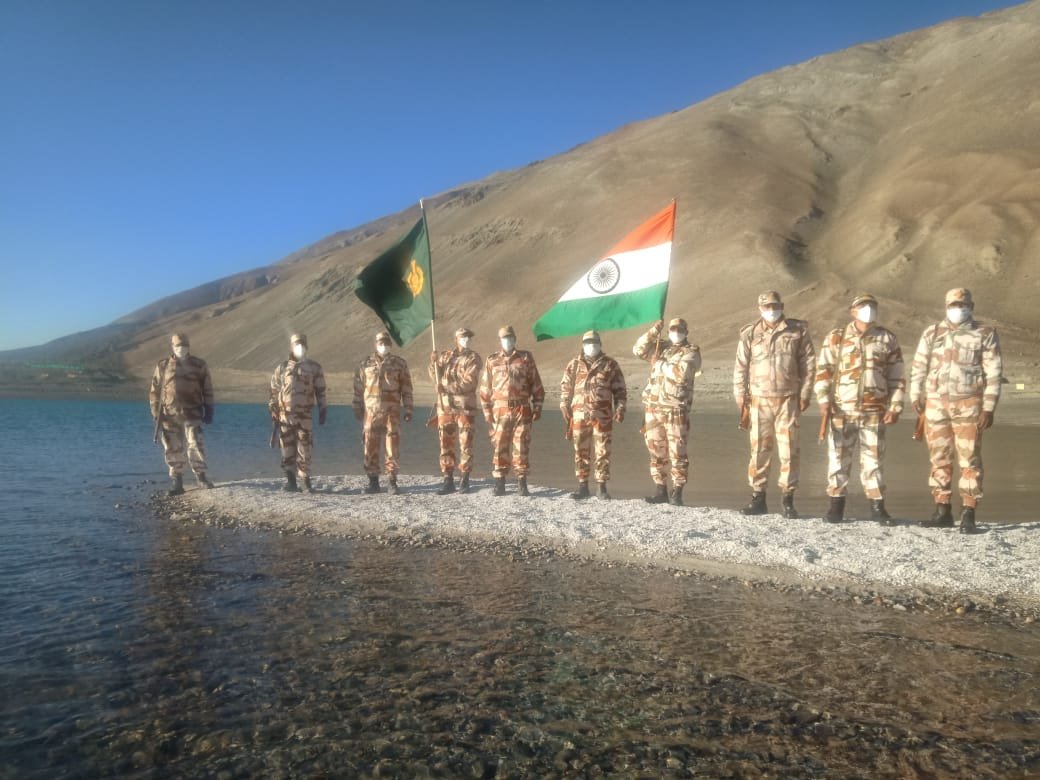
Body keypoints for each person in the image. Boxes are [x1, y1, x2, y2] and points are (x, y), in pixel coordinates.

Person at [909, 288, 1002, 534]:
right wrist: (915, 394)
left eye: (963, 304)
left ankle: (969, 512)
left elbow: (993, 372)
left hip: (969, 405)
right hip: (936, 405)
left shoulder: (985, 333)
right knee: (939, 459)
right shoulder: (933, 332)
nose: (958, 308)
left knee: (969, 459)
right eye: (954, 304)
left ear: (972, 305)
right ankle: (942, 511)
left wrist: (989, 407)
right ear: (946, 305)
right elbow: (919, 366)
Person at [814, 293, 905, 524]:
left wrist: (894, 406)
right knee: (838, 459)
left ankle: (877, 507)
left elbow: (897, 376)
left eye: (873, 306)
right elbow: (823, 371)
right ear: (852, 311)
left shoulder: (886, 338)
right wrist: (824, 401)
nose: (869, 309)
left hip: (875, 411)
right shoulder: (837, 337)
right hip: (841, 410)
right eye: (863, 306)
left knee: (873, 460)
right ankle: (836, 506)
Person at [733, 291, 815, 518]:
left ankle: (788, 500)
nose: (771, 309)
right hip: (759, 400)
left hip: (788, 398)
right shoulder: (750, 333)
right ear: (760, 308)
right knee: (759, 450)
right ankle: (757, 498)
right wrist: (741, 398)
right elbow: (741, 367)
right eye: (767, 306)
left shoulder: (797, 330)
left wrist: (806, 393)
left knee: (789, 450)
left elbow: (808, 363)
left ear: (782, 305)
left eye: (775, 305)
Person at [633, 317, 701, 506]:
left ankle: (677, 491)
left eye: (679, 329)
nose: (675, 331)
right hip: (654, 408)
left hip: (675, 409)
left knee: (677, 451)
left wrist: (660, 364)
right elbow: (638, 349)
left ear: (686, 331)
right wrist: (654, 330)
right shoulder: (660, 348)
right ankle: (660, 489)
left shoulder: (691, 351)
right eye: (672, 329)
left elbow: (682, 373)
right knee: (656, 450)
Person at [560, 330, 627, 500]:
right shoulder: (574, 364)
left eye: (595, 342)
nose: (592, 345)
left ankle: (601, 487)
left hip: (602, 416)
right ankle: (583, 486)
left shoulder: (610, 365)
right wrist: (564, 407)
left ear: (600, 344)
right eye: (588, 342)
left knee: (602, 451)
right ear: (583, 345)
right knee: (580, 451)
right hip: (578, 416)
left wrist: (620, 408)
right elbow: (566, 388)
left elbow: (620, 391)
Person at [480, 325, 545, 496]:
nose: (507, 341)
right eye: (504, 339)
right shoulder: (492, 360)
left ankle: (522, 483)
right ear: (500, 341)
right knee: (499, 445)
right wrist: (487, 412)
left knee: (521, 445)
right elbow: (485, 389)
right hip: (500, 409)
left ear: (515, 340)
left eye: (510, 338)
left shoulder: (525, 358)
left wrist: (537, 406)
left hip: (522, 409)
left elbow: (536, 384)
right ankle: (499, 483)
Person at [149, 333, 215, 495]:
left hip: (192, 413)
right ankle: (177, 482)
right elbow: (155, 391)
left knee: (196, 445)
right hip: (169, 415)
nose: (181, 349)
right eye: (178, 346)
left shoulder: (199, 365)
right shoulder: (163, 366)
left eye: (184, 346)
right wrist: (155, 411)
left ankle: (201, 477)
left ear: (189, 346)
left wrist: (209, 408)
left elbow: (207, 388)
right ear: (172, 346)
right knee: (173, 448)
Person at [353, 330, 413, 495]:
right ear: (375, 344)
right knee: (370, 446)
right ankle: (373, 482)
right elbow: (358, 388)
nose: (384, 346)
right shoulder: (365, 364)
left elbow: (407, 388)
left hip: (391, 412)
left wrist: (408, 408)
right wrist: (357, 406)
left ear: (390, 345)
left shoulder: (399, 363)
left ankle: (392, 482)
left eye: (387, 343)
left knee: (392, 447)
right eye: (381, 343)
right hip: (371, 412)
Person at [269, 333, 327, 493]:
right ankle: (291, 481)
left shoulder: (314, 368)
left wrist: (323, 408)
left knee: (305, 448)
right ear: (291, 347)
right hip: (285, 416)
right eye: (296, 344)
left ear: (306, 347)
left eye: (302, 344)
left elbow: (321, 390)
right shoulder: (282, 368)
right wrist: (273, 409)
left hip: (305, 416)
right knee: (287, 449)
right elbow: (274, 391)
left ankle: (305, 482)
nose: (299, 347)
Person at [429, 326, 481, 494]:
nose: (466, 339)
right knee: (446, 444)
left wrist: (446, 388)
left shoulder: (473, 358)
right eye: (463, 337)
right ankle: (448, 479)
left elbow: (469, 382)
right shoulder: (446, 356)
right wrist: (433, 363)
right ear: (456, 339)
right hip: (445, 408)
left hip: (465, 408)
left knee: (466, 444)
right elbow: (434, 376)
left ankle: (464, 479)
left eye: (468, 337)